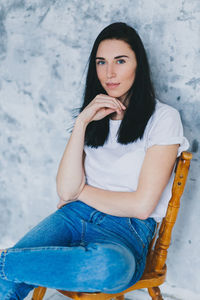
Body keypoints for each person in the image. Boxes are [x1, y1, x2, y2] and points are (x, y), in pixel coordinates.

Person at [0, 22, 189, 299]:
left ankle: (5, 261)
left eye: (120, 61)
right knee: (7, 284)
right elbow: (65, 192)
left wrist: (81, 193)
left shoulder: (163, 118)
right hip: (73, 217)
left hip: (127, 231)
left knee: (110, 267)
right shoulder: (94, 115)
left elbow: (141, 206)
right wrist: (82, 123)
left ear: (139, 65)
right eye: (101, 62)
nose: (109, 73)